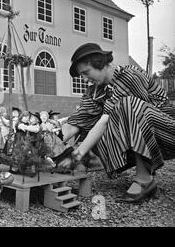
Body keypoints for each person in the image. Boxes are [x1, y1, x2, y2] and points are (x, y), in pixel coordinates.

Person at [59, 43, 175, 203]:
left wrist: (76, 155)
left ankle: (145, 179)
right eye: (82, 75)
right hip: (141, 138)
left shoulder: (129, 76)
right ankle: (90, 160)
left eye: (86, 72)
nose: (85, 79)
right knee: (88, 124)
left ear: (100, 63)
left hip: (166, 134)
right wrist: (51, 145)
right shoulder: (94, 91)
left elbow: (107, 120)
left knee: (127, 105)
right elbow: (77, 121)